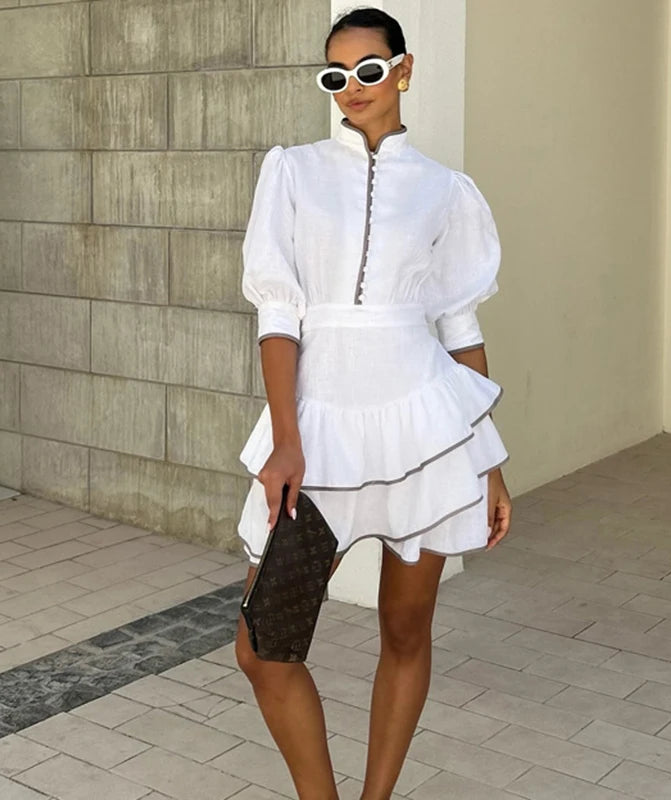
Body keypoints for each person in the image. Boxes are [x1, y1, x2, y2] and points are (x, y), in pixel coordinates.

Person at [234, 8, 512, 799]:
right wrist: (287, 439)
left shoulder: (445, 191)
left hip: (426, 430)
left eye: (368, 69)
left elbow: (459, 327)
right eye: (336, 74)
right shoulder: (293, 171)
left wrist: (490, 461)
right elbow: (279, 313)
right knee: (264, 647)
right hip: (320, 429)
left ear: (403, 69)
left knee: (406, 630)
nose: (351, 87)